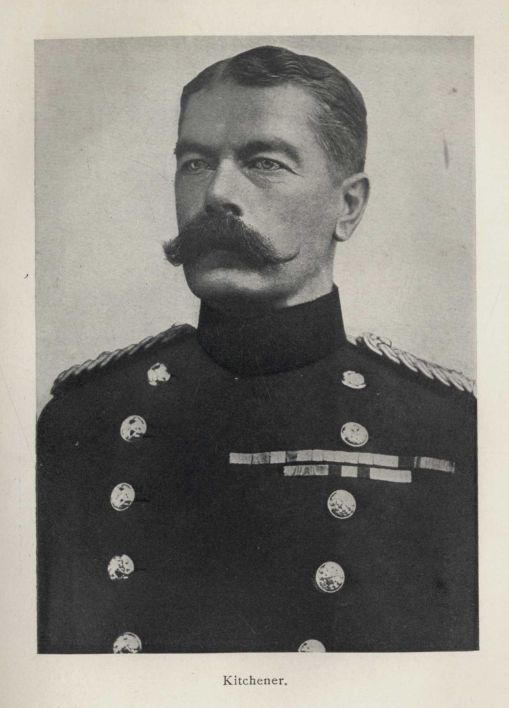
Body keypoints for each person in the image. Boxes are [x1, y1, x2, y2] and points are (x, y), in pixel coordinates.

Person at [37, 45, 477, 654]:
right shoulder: (80, 422)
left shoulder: (449, 431)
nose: (217, 193)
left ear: (348, 206)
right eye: (195, 163)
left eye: (264, 162)